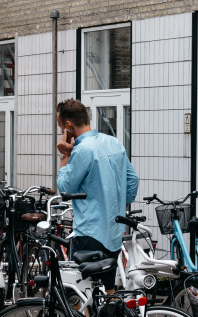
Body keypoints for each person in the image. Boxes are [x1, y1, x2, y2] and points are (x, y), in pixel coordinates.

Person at [56, 98, 138, 292]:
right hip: (114, 233)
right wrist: (117, 204)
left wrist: (65, 155)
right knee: (109, 291)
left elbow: (65, 188)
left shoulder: (82, 150)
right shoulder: (113, 142)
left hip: (89, 233)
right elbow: (132, 180)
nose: (61, 132)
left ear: (69, 126)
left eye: (61, 127)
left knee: (82, 292)